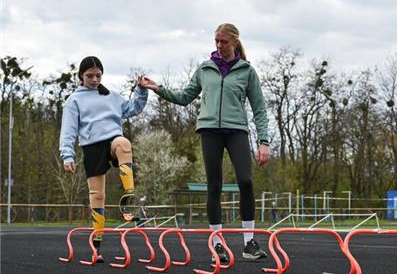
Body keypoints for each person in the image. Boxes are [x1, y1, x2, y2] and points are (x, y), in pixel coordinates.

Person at [140, 23, 269, 264]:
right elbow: (184, 97)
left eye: (224, 42)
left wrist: (264, 141)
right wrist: (157, 88)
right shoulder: (205, 69)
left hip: (237, 130)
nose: (219, 46)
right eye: (216, 41)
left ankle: (249, 242)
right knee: (214, 185)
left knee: (246, 180)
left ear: (234, 42)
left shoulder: (247, 71)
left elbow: (259, 108)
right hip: (209, 130)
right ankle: (217, 243)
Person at [59, 56, 148, 262]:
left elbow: (133, 108)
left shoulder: (112, 97)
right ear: (81, 76)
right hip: (92, 146)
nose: (94, 79)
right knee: (97, 196)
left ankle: (129, 197)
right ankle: (97, 247)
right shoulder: (74, 100)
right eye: (90, 76)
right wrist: (67, 155)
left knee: (124, 144)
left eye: (98, 75)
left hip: (112, 141)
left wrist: (141, 90)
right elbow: (69, 130)